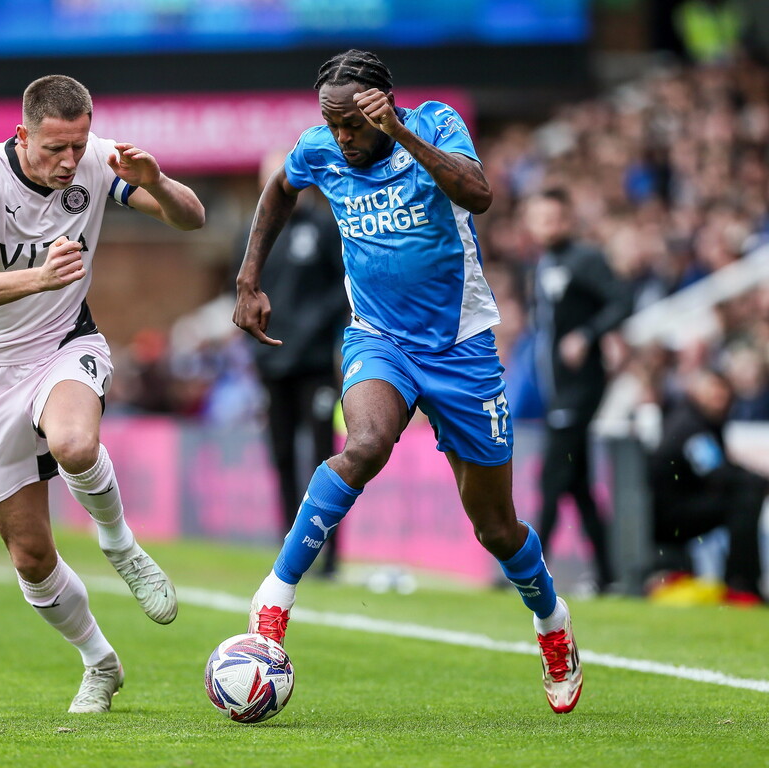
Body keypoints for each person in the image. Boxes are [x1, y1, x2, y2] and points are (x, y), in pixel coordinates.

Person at [233, 50, 583, 714]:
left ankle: (551, 620)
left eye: (352, 124)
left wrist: (398, 132)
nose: (342, 137)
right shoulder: (320, 149)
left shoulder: (436, 125)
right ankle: (274, 596)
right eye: (332, 124)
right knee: (365, 443)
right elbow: (279, 188)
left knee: (496, 528)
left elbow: (479, 195)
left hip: (461, 349)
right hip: (379, 338)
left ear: (383, 107)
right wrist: (249, 279)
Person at [0, 75, 205, 713]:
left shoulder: (97, 161)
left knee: (74, 443)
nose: (68, 160)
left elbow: (192, 219)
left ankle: (121, 546)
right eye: (55, 147)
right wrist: (39, 277)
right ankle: (99, 662)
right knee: (31, 556)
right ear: (22, 134)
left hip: (64, 345)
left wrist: (157, 180)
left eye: (78, 145)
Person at [236, 148, 349, 577]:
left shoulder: (324, 227)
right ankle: (290, 548)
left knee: (325, 459)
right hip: (272, 366)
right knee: (281, 455)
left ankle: (330, 554)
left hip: (316, 365)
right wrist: (254, 349)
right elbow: (241, 295)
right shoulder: (251, 236)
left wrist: (309, 330)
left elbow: (343, 287)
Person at [523, 188, 632, 594]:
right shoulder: (542, 263)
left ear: (568, 219)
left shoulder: (584, 259)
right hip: (557, 390)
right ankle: (608, 575)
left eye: (555, 218)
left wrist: (587, 334)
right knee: (578, 484)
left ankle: (529, 572)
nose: (548, 226)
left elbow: (622, 300)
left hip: (580, 388)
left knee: (552, 477)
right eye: (541, 219)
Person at [648, 366, 767, 602]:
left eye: (723, 393)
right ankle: (741, 583)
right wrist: (760, 481)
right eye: (713, 392)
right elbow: (716, 473)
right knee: (745, 500)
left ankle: (742, 581)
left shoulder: (699, 421)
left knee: (746, 492)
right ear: (696, 392)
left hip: (675, 509)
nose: (719, 399)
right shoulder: (691, 427)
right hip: (670, 517)